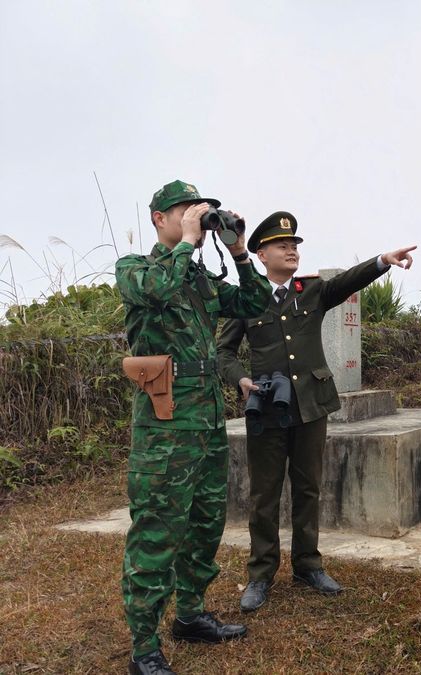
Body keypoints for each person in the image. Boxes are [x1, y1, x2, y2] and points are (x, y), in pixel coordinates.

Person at [217, 212, 415, 612]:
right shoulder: (248, 297)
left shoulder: (312, 291)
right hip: (268, 410)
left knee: (308, 488)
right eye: (282, 245)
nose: (291, 250)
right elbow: (223, 351)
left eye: (294, 245)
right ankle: (260, 574)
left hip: (311, 406)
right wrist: (239, 378)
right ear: (259, 253)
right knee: (264, 495)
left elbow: (348, 282)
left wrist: (382, 260)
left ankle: (308, 564)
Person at [116, 180, 271, 675]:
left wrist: (241, 252)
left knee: (205, 523)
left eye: (200, 213)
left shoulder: (200, 277)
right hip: (164, 427)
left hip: (206, 423)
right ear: (159, 219)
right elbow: (155, 290)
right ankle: (144, 646)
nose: (196, 220)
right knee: (158, 530)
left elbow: (254, 305)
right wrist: (185, 242)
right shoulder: (137, 268)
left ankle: (190, 616)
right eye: (185, 212)